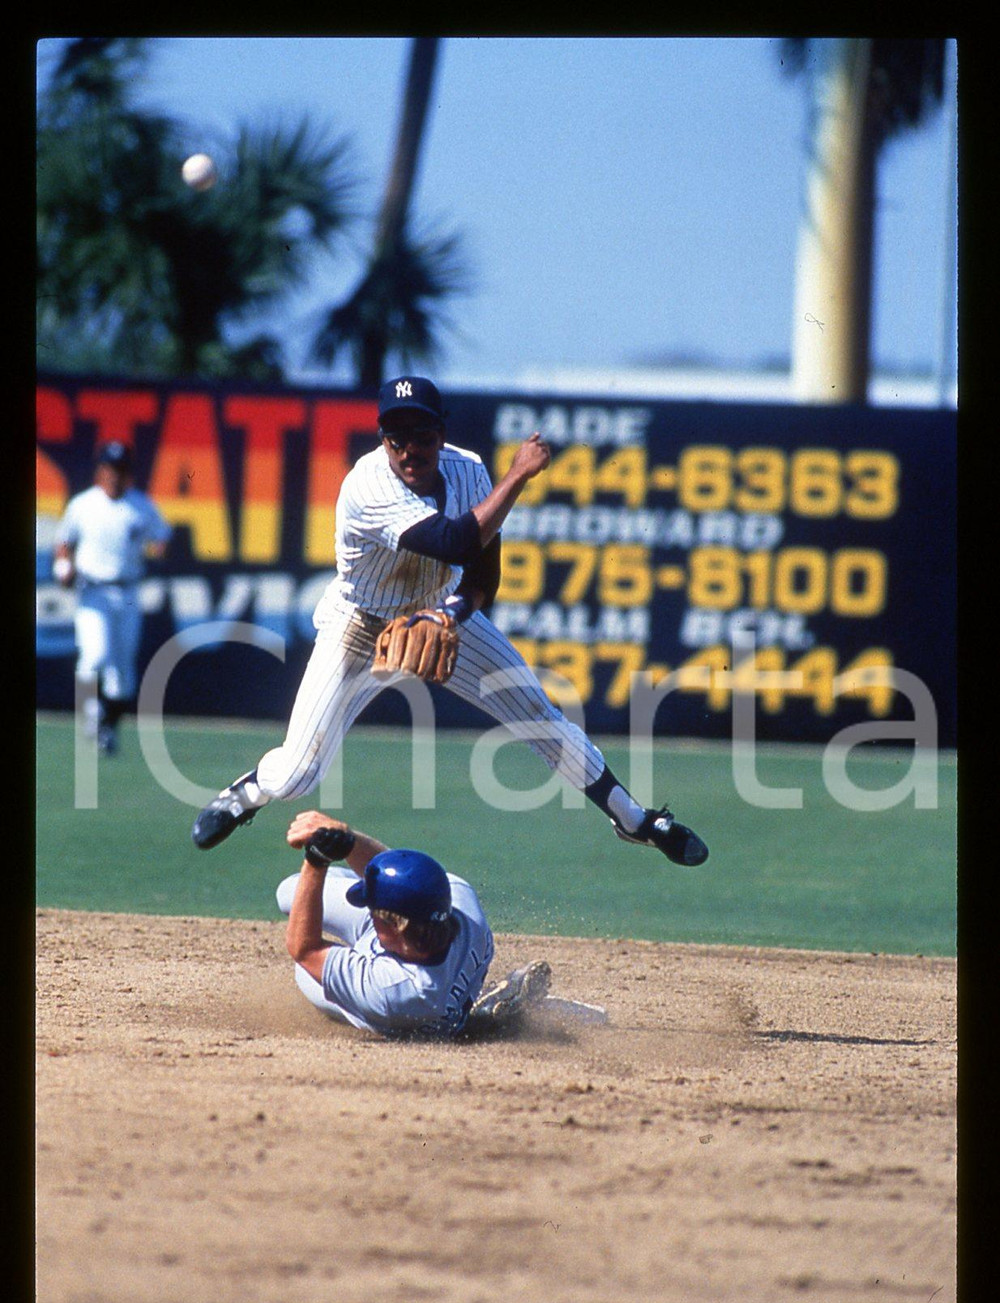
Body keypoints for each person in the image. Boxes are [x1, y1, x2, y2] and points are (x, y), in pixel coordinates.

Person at [192, 376, 708, 867]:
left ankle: (636, 820)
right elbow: (453, 542)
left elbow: (484, 574)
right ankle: (246, 794)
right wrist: (519, 475)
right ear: (383, 441)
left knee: (541, 717)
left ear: (441, 433)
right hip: (361, 626)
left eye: (421, 436)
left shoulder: (468, 471)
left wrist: (447, 613)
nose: (408, 451)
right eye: (396, 439)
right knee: (300, 772)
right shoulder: (367, 486)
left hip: (441, 612)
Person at [279, 810, 552, 1038]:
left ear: (394, 925)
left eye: (372, 907)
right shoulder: (458, 898)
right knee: (289, 892)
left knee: (303, 972)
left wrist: (317, 861)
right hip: (415, 963)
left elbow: (305, 949)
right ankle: (480, 1009)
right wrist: (348, 842)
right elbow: (403, 875)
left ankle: (482, 1017)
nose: (367, 907)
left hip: (396, 1004)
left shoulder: (395, 992)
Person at [53, 440, 172, 754]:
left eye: (120, 470)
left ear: (128, 473)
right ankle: (91, 715)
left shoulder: (140, 505)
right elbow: (64, 540)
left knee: (122, 674)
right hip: (93, 590)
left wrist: (155, 550)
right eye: (110, 469)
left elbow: (161, 538)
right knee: (95, 655)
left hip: (128, 590)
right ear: (100, 470)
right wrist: (63, 566)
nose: (115, 476)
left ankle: (109, 728)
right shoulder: (84, 505)